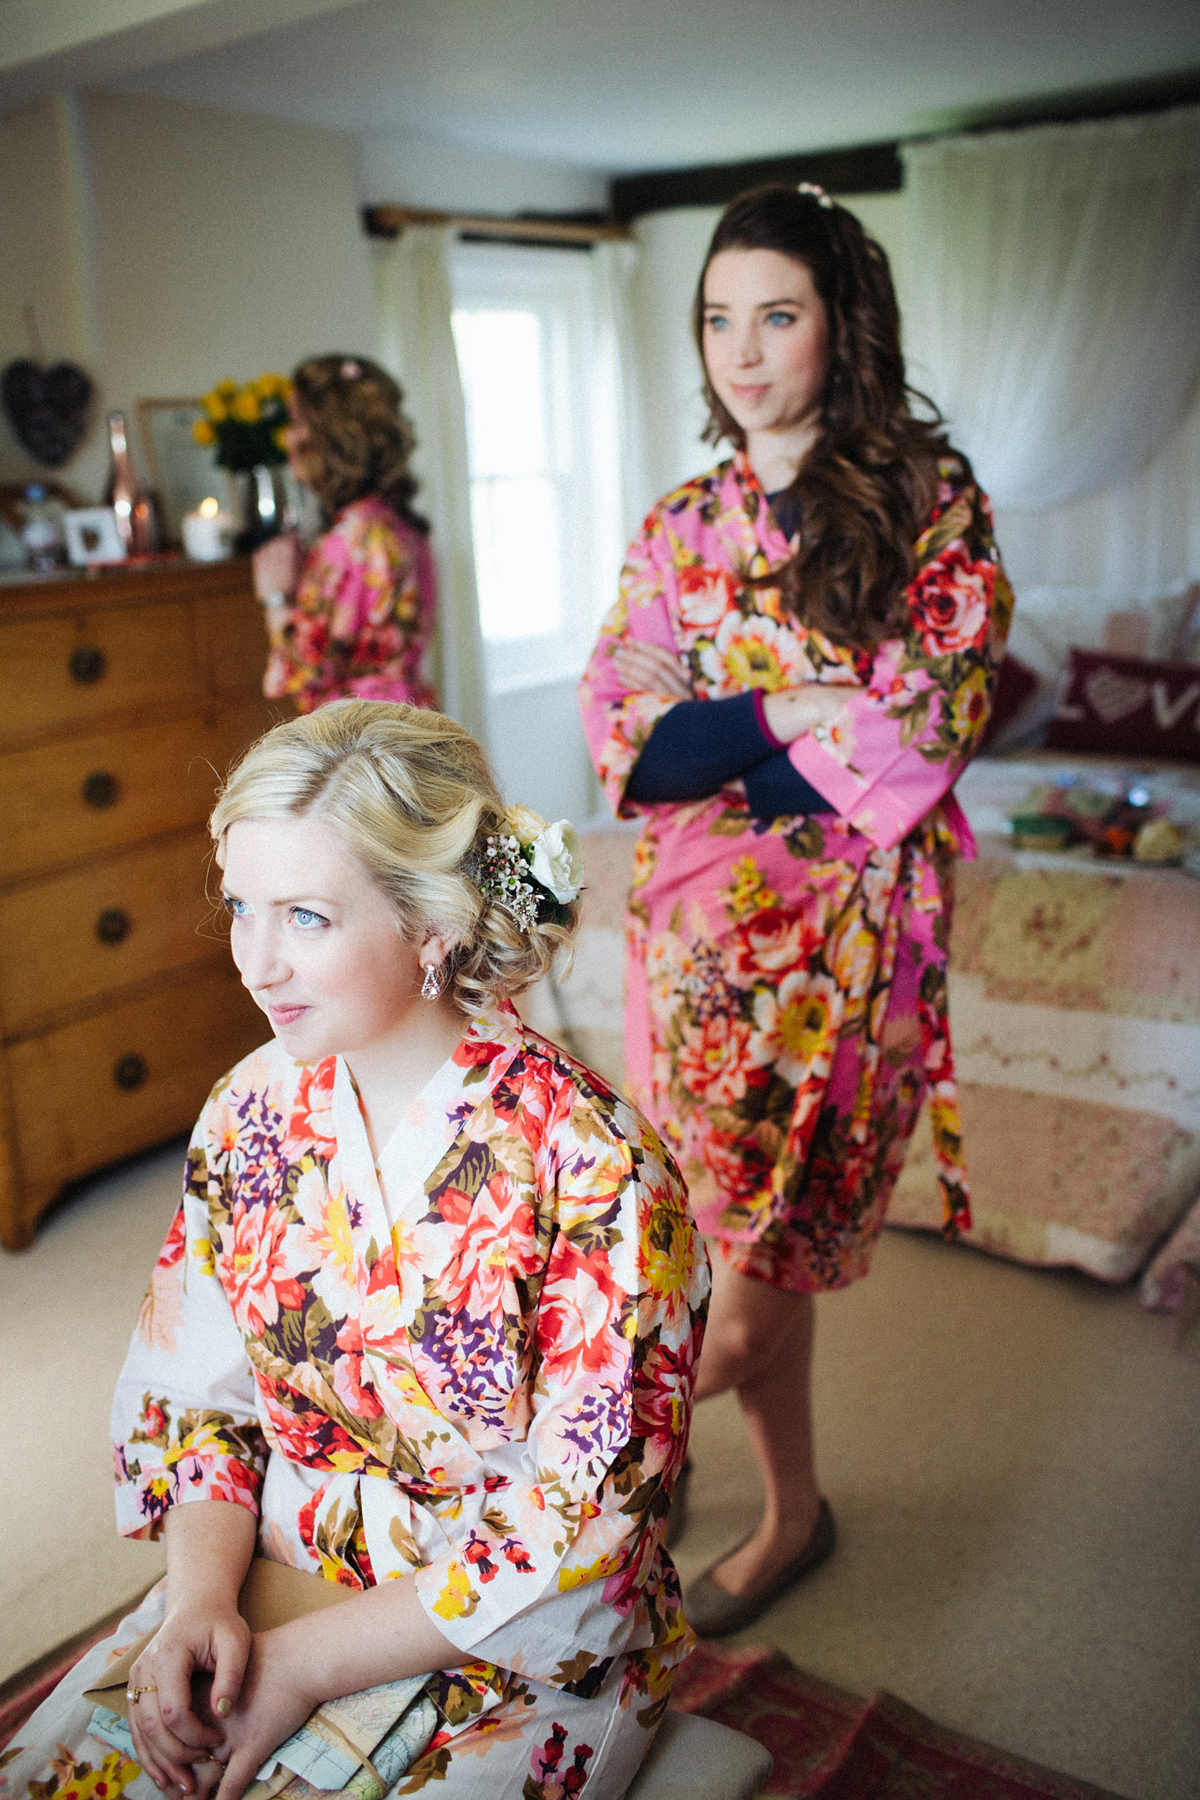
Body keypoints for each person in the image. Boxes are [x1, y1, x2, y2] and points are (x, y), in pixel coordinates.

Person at [4, 702, 708, 1800]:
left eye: (308, 918)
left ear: (433, 927)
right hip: (277, 1571)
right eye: (242, 907)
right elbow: (201, 1403)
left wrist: (302, 1668)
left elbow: (582, 1528)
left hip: (514, 1635)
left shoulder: (599, 1170)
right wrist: (199, 1602)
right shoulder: (248, 1110)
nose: (256, 961)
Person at [578, 182, 1012, 1637]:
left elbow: (927, 727)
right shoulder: (676, 524)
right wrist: (783, 704)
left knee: (743, 1304)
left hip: (844, 965)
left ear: (843, 323)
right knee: (707, 1249)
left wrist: (733, 738)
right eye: (718, 318)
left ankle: (587, 1482)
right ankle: (796, 1510)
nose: (742, 352)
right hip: (687, 962)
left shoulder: (927, 505)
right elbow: (627, 740)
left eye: (778, 316)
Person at [253, 356, 438, 713]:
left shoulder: (346, 543)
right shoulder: (401, 525)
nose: (288, 438)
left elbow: (305, 670)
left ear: (329, 438)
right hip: (413, 722)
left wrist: (274, 598)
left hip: (361, 735)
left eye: (296, 423)